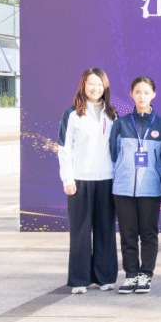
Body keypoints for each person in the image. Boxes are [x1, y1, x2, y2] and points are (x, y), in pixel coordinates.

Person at [59, 67, 119, 294]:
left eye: (99, 84)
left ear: (105, 87)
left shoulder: (112, 114)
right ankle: (79, 279)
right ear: (83, 85)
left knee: (106, 231)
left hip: (107, 179)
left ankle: (104, 277)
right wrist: (68, 178)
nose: (95, 88)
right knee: (80, 232)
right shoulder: (72, 114)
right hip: (80, 180)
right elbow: (64, 148)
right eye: (91, 83)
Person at [109, 76, 161, 294]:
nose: (142, 96)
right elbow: (112, 154)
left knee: (148, 233)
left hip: (150, 188)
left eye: (146, 92)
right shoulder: (121, 123)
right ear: (131, 95)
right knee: (127, 234)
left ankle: (146, 274)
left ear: (153, 94)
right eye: (138, 92)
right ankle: (130, 275)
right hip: (123, 188)